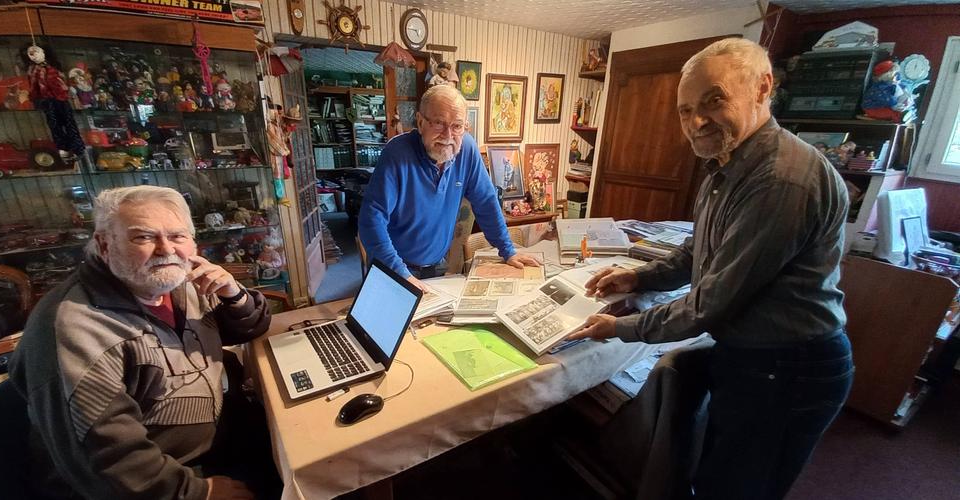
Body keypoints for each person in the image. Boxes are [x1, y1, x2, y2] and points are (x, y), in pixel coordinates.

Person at [567, 38, 853, 500]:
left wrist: (619, 327)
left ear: (762, 87)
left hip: (790, 368)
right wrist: (639, 277)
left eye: (713, 100)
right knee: (717, 475)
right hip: (754, 359)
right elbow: (696, 255)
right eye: (685, 111)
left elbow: (710, 304)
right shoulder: (726, 167)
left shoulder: (780, 180)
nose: (696, 121)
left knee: (737, 488)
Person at [9, 186, 276, 500]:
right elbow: (105, 457)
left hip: (213, 433)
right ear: (104, 245)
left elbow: (249, 329)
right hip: (160, 479)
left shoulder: (175, 281)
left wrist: (235, 295)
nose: (166, 249)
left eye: (177, 236)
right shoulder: (74, 326)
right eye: (143, 237)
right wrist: (197, 492)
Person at [359, 85, 538, 289]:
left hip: (435, 266)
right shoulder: (396, 154)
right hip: (393, 268)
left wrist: (508, 251)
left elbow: (486, 202)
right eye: (438, 123)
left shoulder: (467, 150)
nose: (448, 135)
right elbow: (370, 221)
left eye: (457, 126)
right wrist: (401, 274)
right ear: (420, 121)